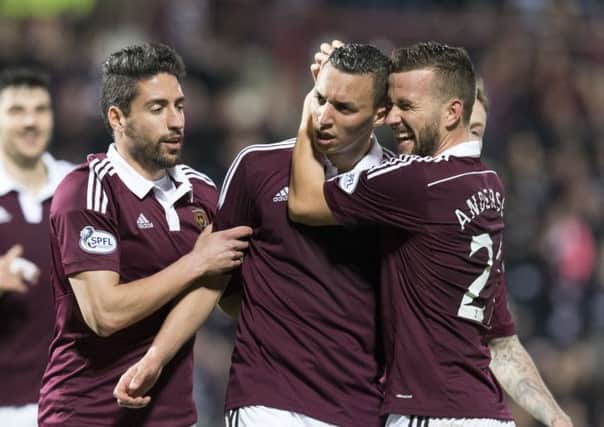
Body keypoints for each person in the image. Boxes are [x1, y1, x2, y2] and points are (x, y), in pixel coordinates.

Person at [288, 41, 572, 427]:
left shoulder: (416, 182)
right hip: (489, 415)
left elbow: (304, 202)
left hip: (429, 413)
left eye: (406, 107)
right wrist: (555, 417)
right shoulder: (488, 186)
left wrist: (316, 106)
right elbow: (500, 342)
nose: (392, 119)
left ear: (452, 112)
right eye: (392, 106)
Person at [113, 43, 393, 427]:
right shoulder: (257, 168)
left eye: (344, 108)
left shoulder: (401, 187)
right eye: (321, 99)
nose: (325, 117)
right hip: (266, 401)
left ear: (380, 114)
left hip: (360, 406)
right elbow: (215, 277)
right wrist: (155, 357)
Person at [37, 43, 252, 427]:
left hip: (173, 416)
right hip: (86, 414)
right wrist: (196, 262)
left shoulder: (202, 194)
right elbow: (105, 313)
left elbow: (226, 296)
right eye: (157, 108)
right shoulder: (87, 192)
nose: (176, 122)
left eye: (179, 106)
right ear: (117, 118)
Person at [0, 67, 74, 426]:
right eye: (16, 111)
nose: (31, 122)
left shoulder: (79, 188)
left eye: (41, 109)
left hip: (74, 403)